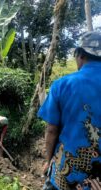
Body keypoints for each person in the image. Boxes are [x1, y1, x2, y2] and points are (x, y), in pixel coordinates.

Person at [38, 31, 101, 190]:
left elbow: (52, 130)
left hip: (65, 175)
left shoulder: (62, 84)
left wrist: (48, 161)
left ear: (80, 55)